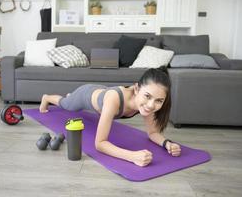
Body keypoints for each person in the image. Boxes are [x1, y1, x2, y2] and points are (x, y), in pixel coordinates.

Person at [39, 67, 181, 167]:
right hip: (86, 94)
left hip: (102, 94)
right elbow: (100, 143)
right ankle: (47, 98)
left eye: (159, 101)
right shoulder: (115, 99)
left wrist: (167, 143)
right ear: (137, 89)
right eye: (148, 96)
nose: (151, 105)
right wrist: (132, 157)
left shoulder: (148, 105)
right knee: (67, 105)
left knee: (87, 101)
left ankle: (72, 97)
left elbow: (153, 132)